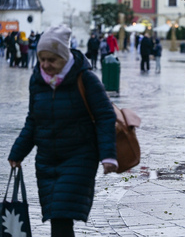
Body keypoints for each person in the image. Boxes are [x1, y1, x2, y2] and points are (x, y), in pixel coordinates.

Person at [8, 25, 118, 237]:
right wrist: (17, 152)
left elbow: (105, 115)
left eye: (52, 60)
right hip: (47, 159)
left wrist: (108, 156)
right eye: (42, 59)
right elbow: (33, 119)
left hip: (79, 157)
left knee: (60, 213)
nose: (46, 65)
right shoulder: (37, 80)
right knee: (55, 214)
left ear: (64, 57)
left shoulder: (85, 78)